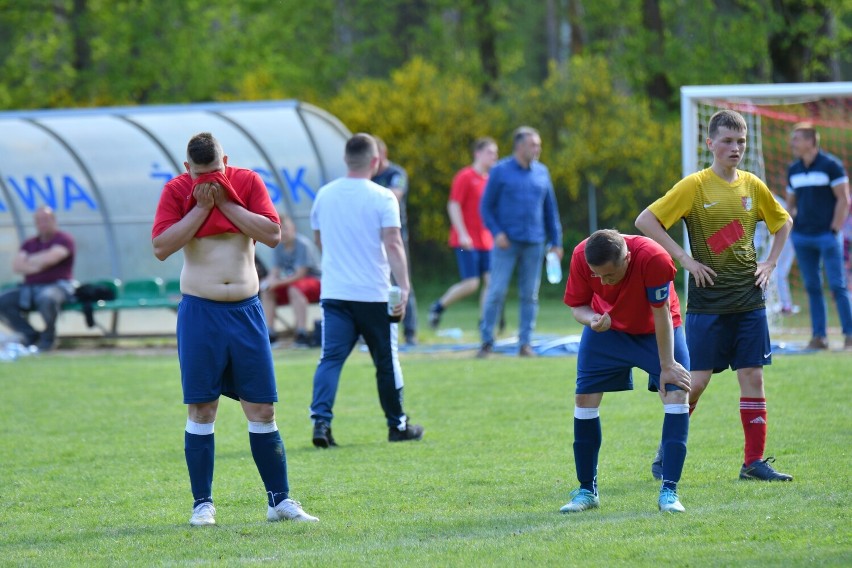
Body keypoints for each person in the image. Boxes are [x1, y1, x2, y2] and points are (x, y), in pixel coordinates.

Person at [151, 132, 317, 526]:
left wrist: (225, 201)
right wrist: (199, 210)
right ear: (187, 168)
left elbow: (273, 235)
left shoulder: (246, 182)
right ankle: (202, 505)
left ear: (226, 160)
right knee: (202, 408)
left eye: (217, 172)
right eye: (201, 175)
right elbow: (160, 247)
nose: (209, 180)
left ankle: (279, 501)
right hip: (200, 312)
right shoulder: (176, 190)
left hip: (246, 311)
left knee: (261, 408)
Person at [635, 109, 794, 482]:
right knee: (698, 382)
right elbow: (646, 221)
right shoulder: (695, 185)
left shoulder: (752, 186)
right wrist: (685, 260)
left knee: (753, 376)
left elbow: (783, 221)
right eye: (727, 141)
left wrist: (770, 263)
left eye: (740, 142)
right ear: (711, 144)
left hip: (750, 300)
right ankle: (667, 449)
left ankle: (753, 463)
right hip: (708, 303)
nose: (735, 148)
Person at [560, 229, 692, 514]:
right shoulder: (582, 256)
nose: (603, 282)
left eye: (609, 275)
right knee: (584, 400)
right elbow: (578, 307)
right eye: (598, 276)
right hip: (607, 329)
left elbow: (661, 313)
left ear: (628, 259)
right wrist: (592, 319)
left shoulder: (654, 258)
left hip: (656, 328)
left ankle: (669, 491)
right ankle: (587, 490)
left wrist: (667, 366)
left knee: (676, 394)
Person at [309, 133, 423, 448]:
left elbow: (320, 240)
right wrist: (404, 285)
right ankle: (397, 424)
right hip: (373, 293)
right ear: (375, 161)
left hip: (334, 292)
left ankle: (321, 422)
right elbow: (393, 243)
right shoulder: (383, 196)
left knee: (330, 358)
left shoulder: (325, 195)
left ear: (346, 160)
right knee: (386, 360)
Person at [477, 126, 562, 358]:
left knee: (529, 295)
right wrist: (497, 232)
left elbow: (550, 210)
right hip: (506, 242)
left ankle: (525, 344)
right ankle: (486, 342)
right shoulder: (500, 171)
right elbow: (485, 207)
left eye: (538, 144)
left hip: (534, 242)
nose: (538, 149)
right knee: (496, 291)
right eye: (533, 144)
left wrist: (556, 242)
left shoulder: (542, 172)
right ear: (520, 146)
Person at [785, 122, 852, 350]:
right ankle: (819, 337)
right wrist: (791, 230)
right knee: (812, 287)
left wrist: (834, 230)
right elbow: (791, 205)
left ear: (811, 141)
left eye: (797, 138)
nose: (793, 143)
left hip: (827, 236)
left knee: (837, 286)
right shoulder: (793, 170)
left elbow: (844, 199)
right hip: (802, 237)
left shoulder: (831, 165)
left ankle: (850, 335)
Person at [428, 137, 499, 329]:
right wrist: (462, 233)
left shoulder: (491, 179)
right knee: (471, 284)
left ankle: (485, 323)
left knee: (491, 283)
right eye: (490, 152)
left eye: (495, 153)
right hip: (466, 241)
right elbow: (453, 204)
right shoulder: (465, 176)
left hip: (487, 241)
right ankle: (438, 307)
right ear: (478, 153)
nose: (494, 156)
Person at [0, 206, 75, 352]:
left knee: (47, 298)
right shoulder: (30, 243)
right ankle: (30, 335)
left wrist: (31, 261)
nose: (43, 224)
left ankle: (48, 337)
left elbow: (51, 259)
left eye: (46, 220)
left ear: (53, 220)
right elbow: (17, 266)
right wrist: (40, 263)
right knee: (3, 301)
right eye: (39, 221)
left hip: (57, 286)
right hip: (30, 287)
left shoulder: (64, 239)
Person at [372, 137, 418, 346]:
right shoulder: (367, 176)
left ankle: (410, 332)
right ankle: (377, 330)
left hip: (395, 235)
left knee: (402, 281)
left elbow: (394, 195)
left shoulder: (396, 174)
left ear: (383, 153)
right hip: (372, 237)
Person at [260, 214, 321, 347]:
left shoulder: (302, 244)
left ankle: (302, 334)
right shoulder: (277, 246)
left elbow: (301, 274)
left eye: (286, 228)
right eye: (280, 229)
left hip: (314, 282)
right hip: (292, 284)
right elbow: (274, 272)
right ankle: (270, 334)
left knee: (295, 289)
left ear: (293, 228)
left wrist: (276, 282)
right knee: (267, 292)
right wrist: (266, 284)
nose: (284, 233)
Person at [754, 193, 797, 314]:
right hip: (775, 240)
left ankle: (785, 305)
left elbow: (788, 220)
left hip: (785, 239)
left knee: (778, 271)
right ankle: (769, 302)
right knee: (768, 270)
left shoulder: (770, 200)